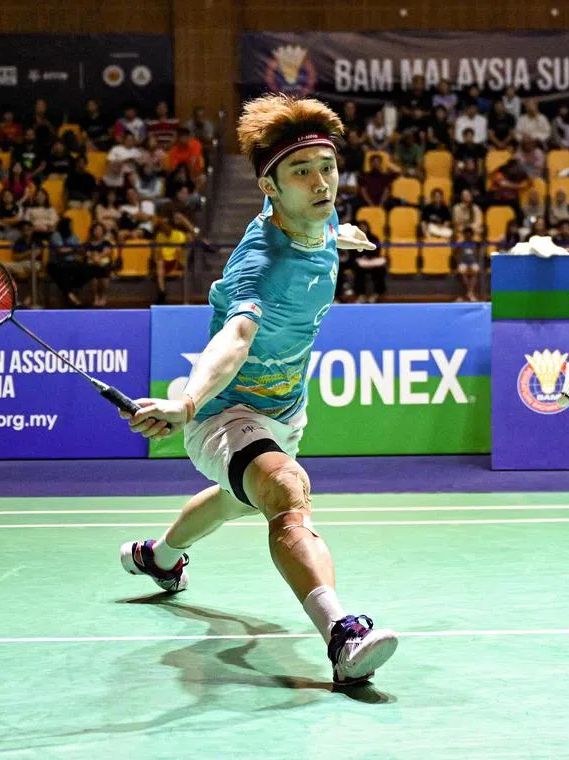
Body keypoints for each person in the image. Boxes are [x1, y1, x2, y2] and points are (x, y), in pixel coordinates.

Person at [118, 93, 397, 687]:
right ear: (269, 187)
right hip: (225, 412)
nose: (321, 183)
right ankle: (341, 634)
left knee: (235, 499)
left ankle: (159, 558)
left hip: (284, 409)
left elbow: (321, 226)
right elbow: (237, 336)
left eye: (327, 167)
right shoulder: (260, 265)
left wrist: (340, 236)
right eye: (302, 172)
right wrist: (187, 402)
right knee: (286, 489)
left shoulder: (314, 218)